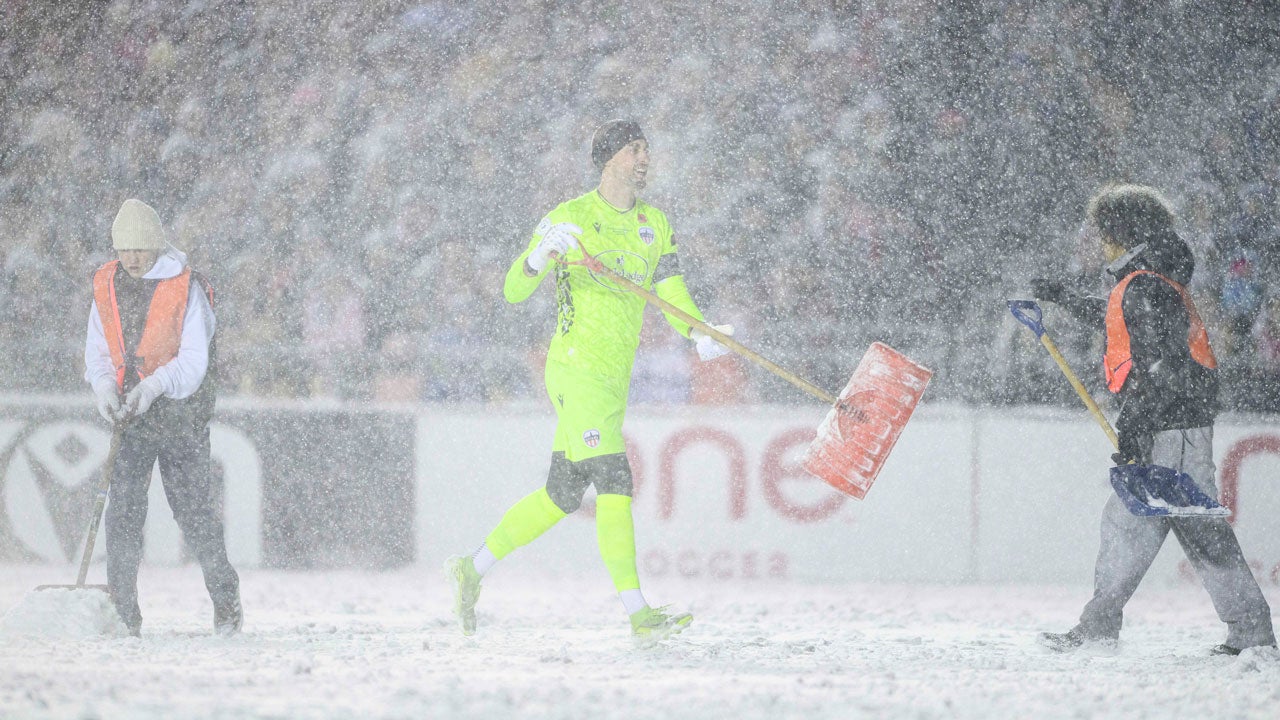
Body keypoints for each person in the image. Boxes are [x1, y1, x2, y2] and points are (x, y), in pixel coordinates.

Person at [444, 120, 732, 638]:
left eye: (647, 149)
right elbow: (512, 290)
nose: (644, 158)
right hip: (574, 369)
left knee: (561, 493)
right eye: (633, 150)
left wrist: (700, 333)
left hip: (613, 379)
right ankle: (639, 614)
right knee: (616, 480)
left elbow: (670, 296)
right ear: (608, 159)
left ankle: (472, 567)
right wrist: (537, 256)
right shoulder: (569, 217)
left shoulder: (656, 224)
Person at [1031, 184, 1275, 655]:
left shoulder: (1146, 283)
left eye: (1104, 233)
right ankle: (1245, 629)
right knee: (1154, 525)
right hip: (1173, 422)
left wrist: (1136, 426)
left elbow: (1162, 365)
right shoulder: (1148, 280)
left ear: (1122, 232)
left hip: (1170, 426)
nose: (1100, 243)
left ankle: (1247, 632)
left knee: (1171, 527)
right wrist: (1063, 297)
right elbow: (1121, 321)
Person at [85, 198, 242, 637]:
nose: (132, 257)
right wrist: (104, 389)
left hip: (179, 418)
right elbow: (97, 350)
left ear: (156, 245)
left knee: (193, 513)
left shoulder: (187, 287)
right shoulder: (106, 285)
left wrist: (151, 387)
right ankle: (123, 611)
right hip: (131, 416)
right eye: (125, 249)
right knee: (124, 514)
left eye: (140, 248)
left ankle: (225, 598)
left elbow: (194, 363)